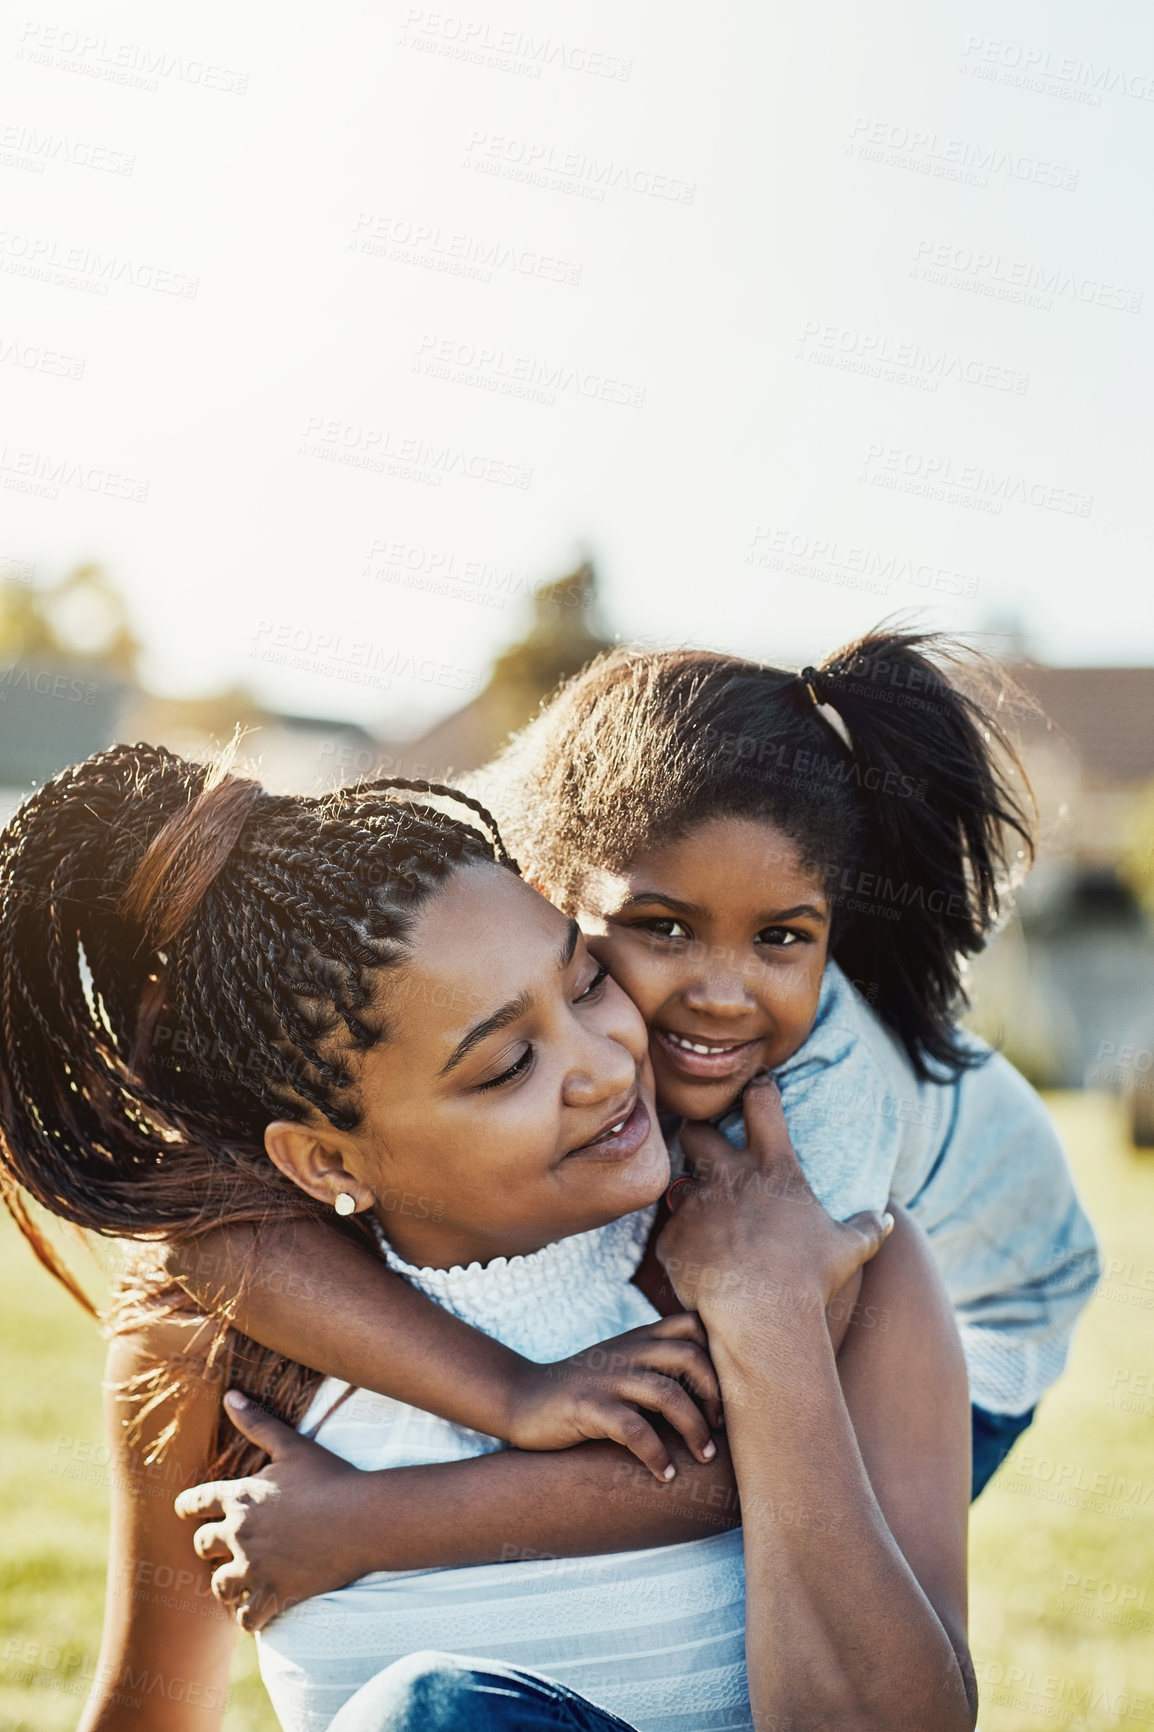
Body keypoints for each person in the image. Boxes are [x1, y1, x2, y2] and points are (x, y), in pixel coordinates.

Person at [0, 744, 973, 1732]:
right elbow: (148, 1710)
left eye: (586, 980)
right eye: (507, 1063)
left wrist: (767, 1314)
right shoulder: (212, 1340)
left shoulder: (841, 1260)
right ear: (328, 1163)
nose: (601, 1063)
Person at [167, 628, 1097, 1554]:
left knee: (796, 1540)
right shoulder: (483, 906)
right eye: (663, 928)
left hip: (992, 1321)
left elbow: (732, 1455)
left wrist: (356, 1525)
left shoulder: (827, 1100)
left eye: (780, 938)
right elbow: (207, 1238)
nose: (722, 995)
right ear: (545, 893)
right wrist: (513, 1390)